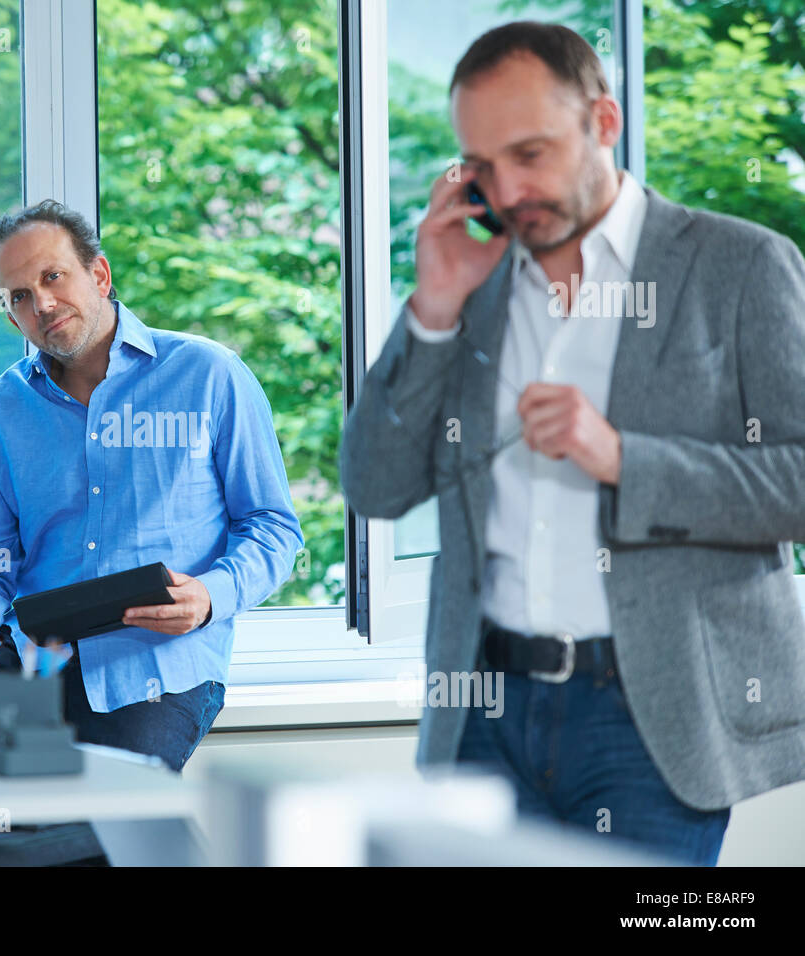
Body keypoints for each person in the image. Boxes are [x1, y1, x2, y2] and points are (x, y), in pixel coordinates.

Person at [339, 21, 805, 865]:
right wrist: (434, 308)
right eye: (482, 167)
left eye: (532, 153)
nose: (510, 190)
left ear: (604, 124)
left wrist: (623, 458)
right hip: (482, 715)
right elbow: (374, 485)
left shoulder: (741, 268)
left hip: (650, 719)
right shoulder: (473, 286)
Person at [0, 199, 303, 773]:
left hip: (152, 668)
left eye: (52, 277)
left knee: (94, 826)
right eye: (17, 295)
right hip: (29, 663)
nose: (40, 304)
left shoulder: (210, 375)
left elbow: (273, 528)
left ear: (99, 274)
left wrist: (211, 594)